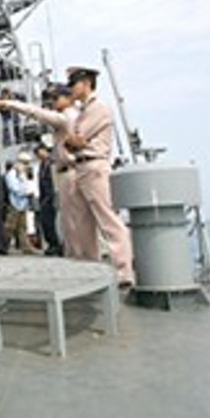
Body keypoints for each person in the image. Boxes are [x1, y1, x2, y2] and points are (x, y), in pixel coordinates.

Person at [0, 83, 80, 258]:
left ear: (67, 98)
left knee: (73, 223)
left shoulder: (66, 117)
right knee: (69, 222)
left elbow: (35, 112)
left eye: (55, 98)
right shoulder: (74, 116)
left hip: (69, 175)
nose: (51, 103)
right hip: (61, 179)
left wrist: (6, 104)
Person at [64, 67, 135, 287]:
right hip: (83, 167)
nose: (70, 89)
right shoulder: (84, 110)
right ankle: (91, 271)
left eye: (73, 84)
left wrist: (72, 141)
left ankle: (123, 272)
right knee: (83, 225)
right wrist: (73, 141)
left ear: (86, 83)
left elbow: (76, 140)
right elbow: (73, 141)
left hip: (94, 167)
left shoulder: (98, 108)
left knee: (108, 222)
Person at [4, 151, 38, 253]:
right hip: (14, 204)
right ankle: (3, 245)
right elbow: (14, 188)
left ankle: (26, 247)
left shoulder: (23, 174)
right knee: (10, 226)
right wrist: (26, 192)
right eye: (25, 162)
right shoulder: (12, 174)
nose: (26, 165)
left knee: (22, 227)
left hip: (23, 204)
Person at [34, 141, 62, 255]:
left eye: (39, 152)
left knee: (52, 222)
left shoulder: (52, 163)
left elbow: (55, 182)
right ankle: (51, 243)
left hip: (51, 196)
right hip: (44, 197)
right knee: (45, 222)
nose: (38, 155)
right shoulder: (42, 165)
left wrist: (53, 196)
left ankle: (56, 244)